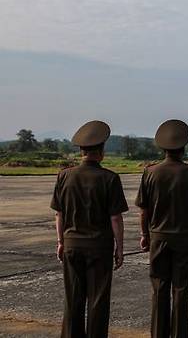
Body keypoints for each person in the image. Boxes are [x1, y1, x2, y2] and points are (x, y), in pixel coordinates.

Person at [50, 120, 128, 338]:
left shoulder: (64, 175)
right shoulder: (109, 178)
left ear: (82, 151)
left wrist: (60, 242)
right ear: (101, 151)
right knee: (98, 300)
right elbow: (115, 218)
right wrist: (119, 248)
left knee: (73, 300)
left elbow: (59, 214)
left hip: (71, 244)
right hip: (98, 246)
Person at [135, 119, 188, 338]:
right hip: (185, 238)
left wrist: (144, 235)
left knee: (159, 288)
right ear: (183, 148)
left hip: (158, 237)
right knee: (181, 289)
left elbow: (143, 210)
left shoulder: (150, 172)